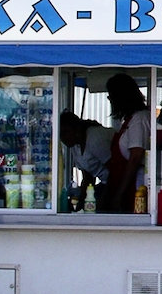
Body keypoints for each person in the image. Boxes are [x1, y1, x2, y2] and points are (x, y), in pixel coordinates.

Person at [101, 73, 150, 213]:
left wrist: (119, 196)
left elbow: (135, 157)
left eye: (111, 96)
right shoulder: (130, 119)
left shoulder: (139, 119)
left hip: (133, 187)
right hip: (121, 184)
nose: (110, 100)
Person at [59, 111, 112, 207]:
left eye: (66, 132)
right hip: (106, 183)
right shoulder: (75, 146)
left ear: (77, 129)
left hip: (119, 183)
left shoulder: (95, 139)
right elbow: (88, 178)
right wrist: (80, 202)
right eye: (60, 134)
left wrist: (103, 200)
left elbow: (115, 171)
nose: (63, 137)